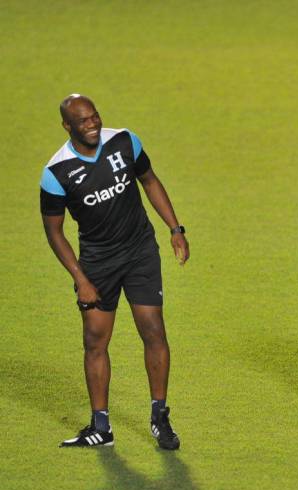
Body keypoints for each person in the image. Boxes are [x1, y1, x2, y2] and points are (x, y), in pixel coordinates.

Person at [40, 94, 189, 450]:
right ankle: (101, 427)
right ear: (67, 126)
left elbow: (149, 180)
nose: (92, 124)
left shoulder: (124, 141)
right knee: (95, 341)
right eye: (83, 121)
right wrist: (81, 279)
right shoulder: (56, 173)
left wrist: (175, 229)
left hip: (140, 252)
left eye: (95, 116)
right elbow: (54, 233)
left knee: (154, 331)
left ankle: (159, 417)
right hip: (98, 264)